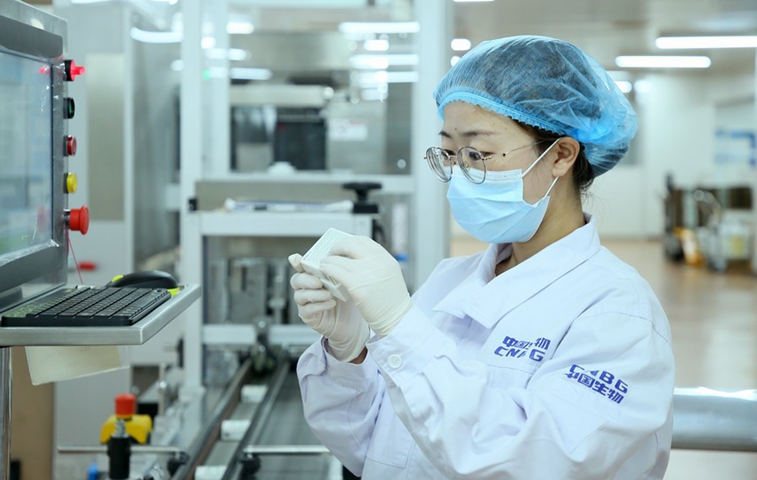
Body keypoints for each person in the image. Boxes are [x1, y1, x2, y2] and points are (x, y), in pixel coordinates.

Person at [288, 35, 674, 479]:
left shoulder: (619, 312)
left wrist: (399, 328)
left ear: (561, 156)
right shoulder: (450, 279)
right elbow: (373, 448)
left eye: (479, 153)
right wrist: (350, 352)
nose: (460, 174)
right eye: (451, 153)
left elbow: (536, 463)